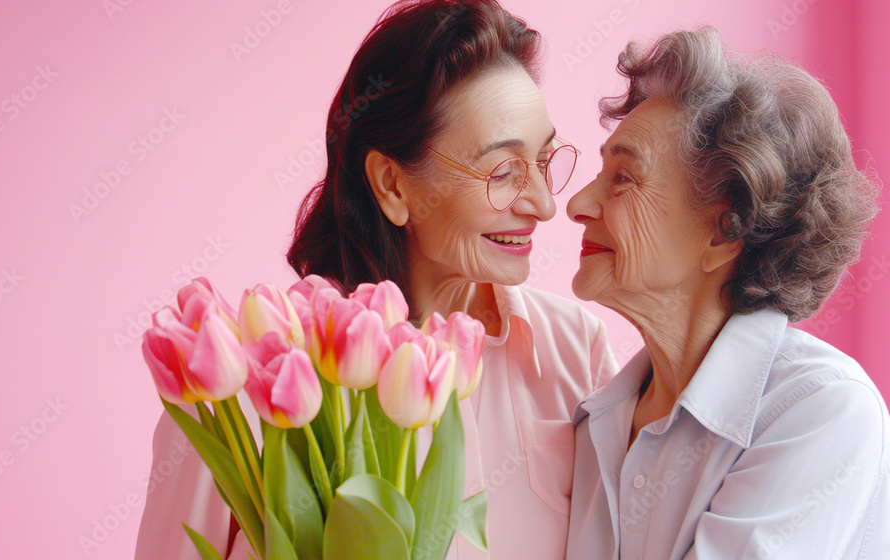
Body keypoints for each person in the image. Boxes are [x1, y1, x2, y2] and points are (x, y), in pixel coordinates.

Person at [134, 1, 618, 558]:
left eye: (545, 161)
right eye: (505, 171)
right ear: (392, 184)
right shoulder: (246, 388)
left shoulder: (575, 350)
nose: (543, 204)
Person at [564, 27, 889, 559]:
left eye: (623, 177)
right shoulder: (595, 422)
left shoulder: (820, 409)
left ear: (724, 230)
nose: (578, 203)